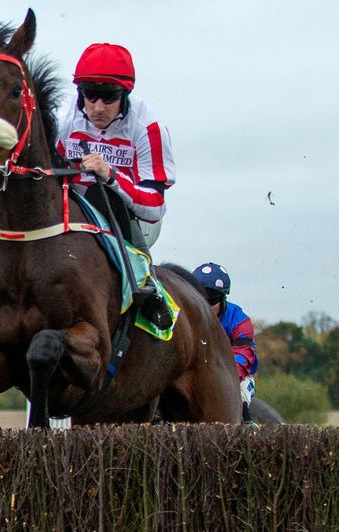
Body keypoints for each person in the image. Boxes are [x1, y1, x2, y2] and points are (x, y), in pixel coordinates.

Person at [56, 43, 177, 328]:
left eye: (109, 97)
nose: (98, 107)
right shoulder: (62, 119)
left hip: (132, 218)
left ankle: (147, 285)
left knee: (103, 195)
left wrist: (110, 176)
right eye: (90, 95)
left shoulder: (148, 129)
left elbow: (155, 208)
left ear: (125, 94)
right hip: (75, 209)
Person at [192, 262, 258, 423]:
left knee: (239, 398)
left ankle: (247, 430)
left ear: (222, 298)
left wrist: (220, 380)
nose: (205, 305)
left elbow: (243, 355)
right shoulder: (185, 317)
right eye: (200, 297)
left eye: (211, 298)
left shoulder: (239, 320)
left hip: (234, 377)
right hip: (195, 374)